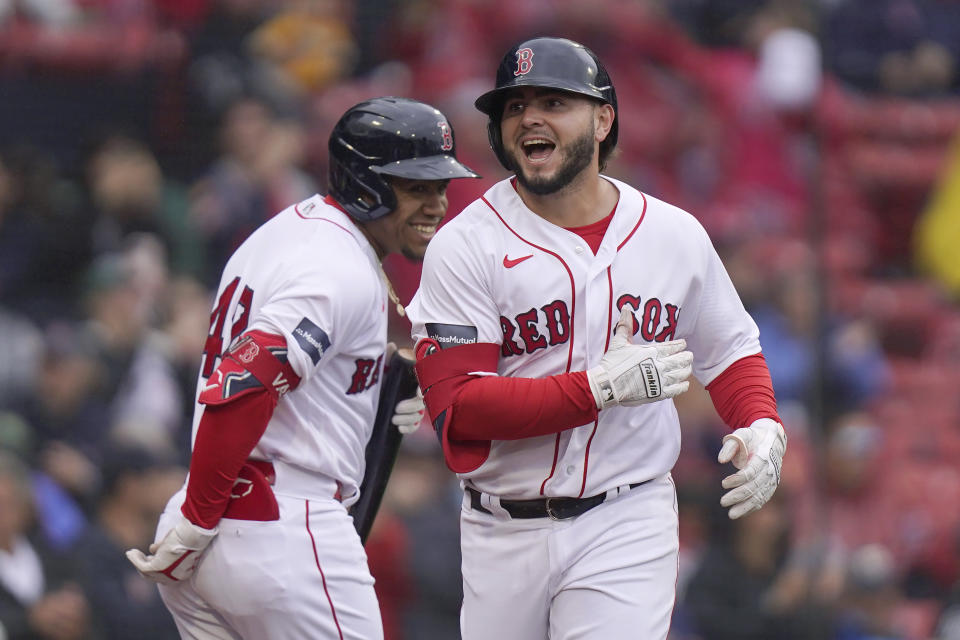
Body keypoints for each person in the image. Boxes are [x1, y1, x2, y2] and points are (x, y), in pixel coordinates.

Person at [408, 37, 788, 640]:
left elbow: (731, 350)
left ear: (603, 118)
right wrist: (597, 389)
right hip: (502, 528)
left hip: (627, 517)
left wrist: (761, 422)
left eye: (554, 102)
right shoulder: (466, 244)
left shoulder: (674, 235)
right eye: (514, 106)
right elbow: (460, 408)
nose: (529, 117)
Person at [125, 96, 479, 639]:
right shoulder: (337, 266)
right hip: (276, 523)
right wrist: (199, 516)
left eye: (440, 187)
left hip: (224, 514)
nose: (436, 204)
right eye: (417, 188)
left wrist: (368, 386)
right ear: (367, 184)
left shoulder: (290, 230)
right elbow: (244, 382)